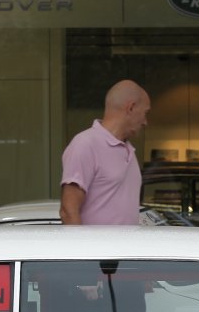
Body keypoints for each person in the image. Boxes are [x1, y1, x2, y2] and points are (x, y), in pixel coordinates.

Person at [59, 80, 151, 225]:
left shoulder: (129, 150)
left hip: (129, 241)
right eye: (145, 113)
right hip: (95, 242)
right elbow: (68, 212)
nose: (145, 122)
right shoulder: (85, 144)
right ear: (131, 107)